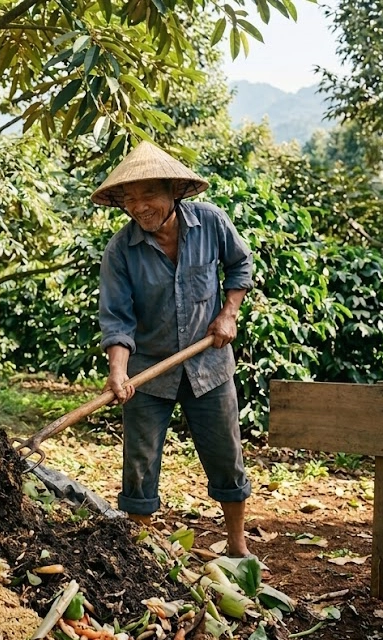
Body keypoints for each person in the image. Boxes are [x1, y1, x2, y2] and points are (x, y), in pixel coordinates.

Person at [92, 140, 254, 558]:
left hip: (209, 365)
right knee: (139, 464)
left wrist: (229, 313)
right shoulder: (120, 251)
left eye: (148, 194)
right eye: (129, 199)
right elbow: (117, 319)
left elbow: (240, 264)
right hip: (149, 372)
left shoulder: (211, 223)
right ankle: (140, 554)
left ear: (173, 192)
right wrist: (118, 371)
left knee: (226, 456)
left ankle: (238, 547)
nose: (139, 206)